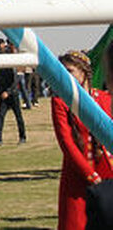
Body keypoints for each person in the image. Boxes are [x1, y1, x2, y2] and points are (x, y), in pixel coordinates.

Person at [52, 51, 113, 230]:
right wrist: (90, 175)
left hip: (107, 170)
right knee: (76, 223)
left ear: (83, 71)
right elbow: (67, 143)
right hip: (77, 175)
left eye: (70, 71)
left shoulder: (104, 98)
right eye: (62, 72)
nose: (65, 77)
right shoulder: (60, 101)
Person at [0, 38, 27, 145]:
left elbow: (15, 80)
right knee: (0, 116)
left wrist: (8, 92)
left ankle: (22, 137)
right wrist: (1, 92)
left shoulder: (12, 64)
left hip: (13, 94)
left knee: (18, 116)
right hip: (3, 94)